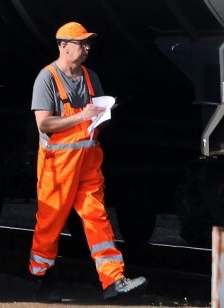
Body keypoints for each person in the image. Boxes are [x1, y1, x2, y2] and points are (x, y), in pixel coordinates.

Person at [28, 22, 147, 302]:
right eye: (82, 43)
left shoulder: (90, 76)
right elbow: (44, 124)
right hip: (57, 166)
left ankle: (113, 280)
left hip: (88, 161)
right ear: (63, 45)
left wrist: (101, 118)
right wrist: (83, 116)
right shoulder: (46, 79)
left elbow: (93, 123)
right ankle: (39, 276)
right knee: (50, 222)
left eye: (88, 43)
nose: (87, 48)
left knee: (97, 219)